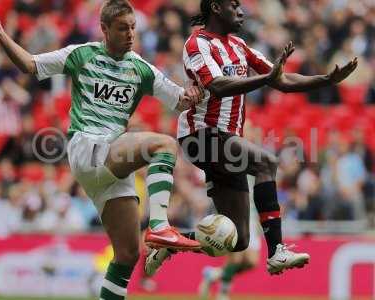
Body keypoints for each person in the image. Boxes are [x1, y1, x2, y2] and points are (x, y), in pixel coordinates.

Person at [0, 1, 204, 299]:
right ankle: (161, 226)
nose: (130, 34)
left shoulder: (141, 68)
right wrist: (0, 33)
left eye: (133, 28)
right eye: (122, 28)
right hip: (88, 147)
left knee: (127, 254)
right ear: (104, 29)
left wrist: (197, 92)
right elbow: (31, 65)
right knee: (164, 144)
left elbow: (180, 101)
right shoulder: (81, 55)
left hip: (111, 163)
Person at [145, 0, 358, 277]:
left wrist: (326, 79)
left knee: (238, 239)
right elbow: (217, 86)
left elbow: (281, 80)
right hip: (201, 136)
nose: (242, 11)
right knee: (265, 162)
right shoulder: (197, 44)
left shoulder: (239, 46)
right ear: (216, 8)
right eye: (234, 5)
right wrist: (267, 78)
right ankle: (277, 251)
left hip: (226, 141)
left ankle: (171, 244)